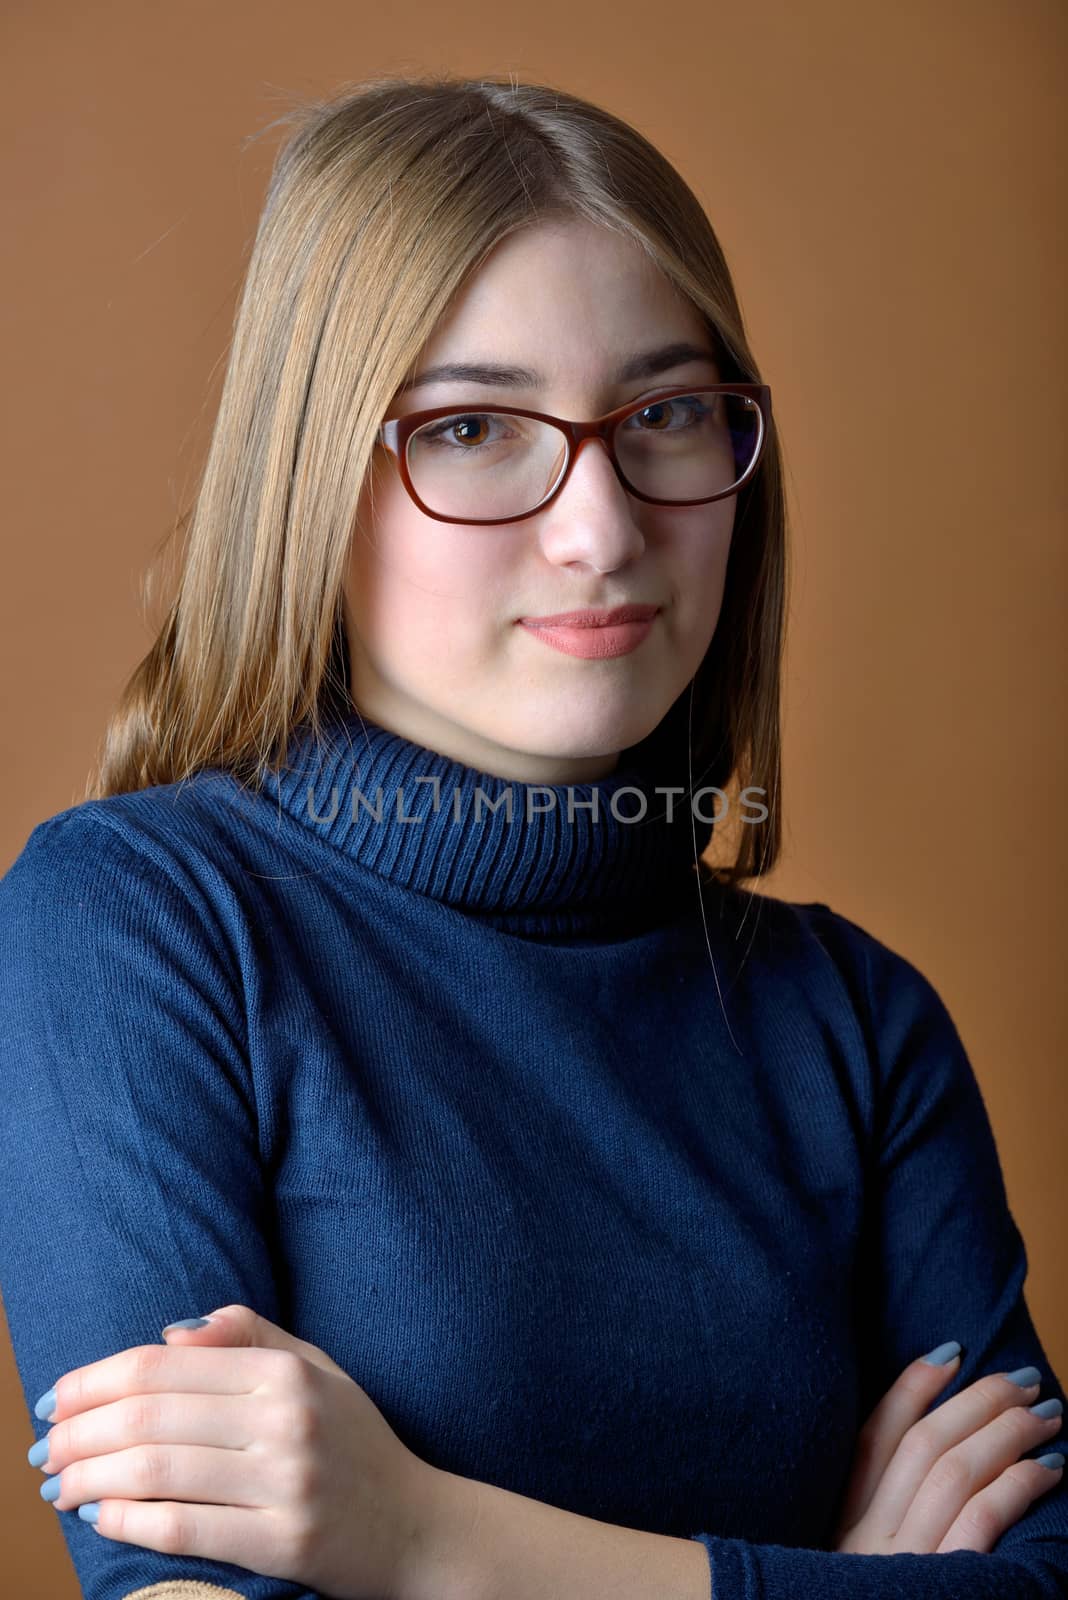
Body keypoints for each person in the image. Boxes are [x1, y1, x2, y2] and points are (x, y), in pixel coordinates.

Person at [0, 72, 1064, 1600]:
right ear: (312, 479)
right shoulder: (134, 927)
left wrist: (429, 1541)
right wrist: (824, 1579)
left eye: (670, 413)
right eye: (477, 427)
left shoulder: (858, 1022)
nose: (604, 528)